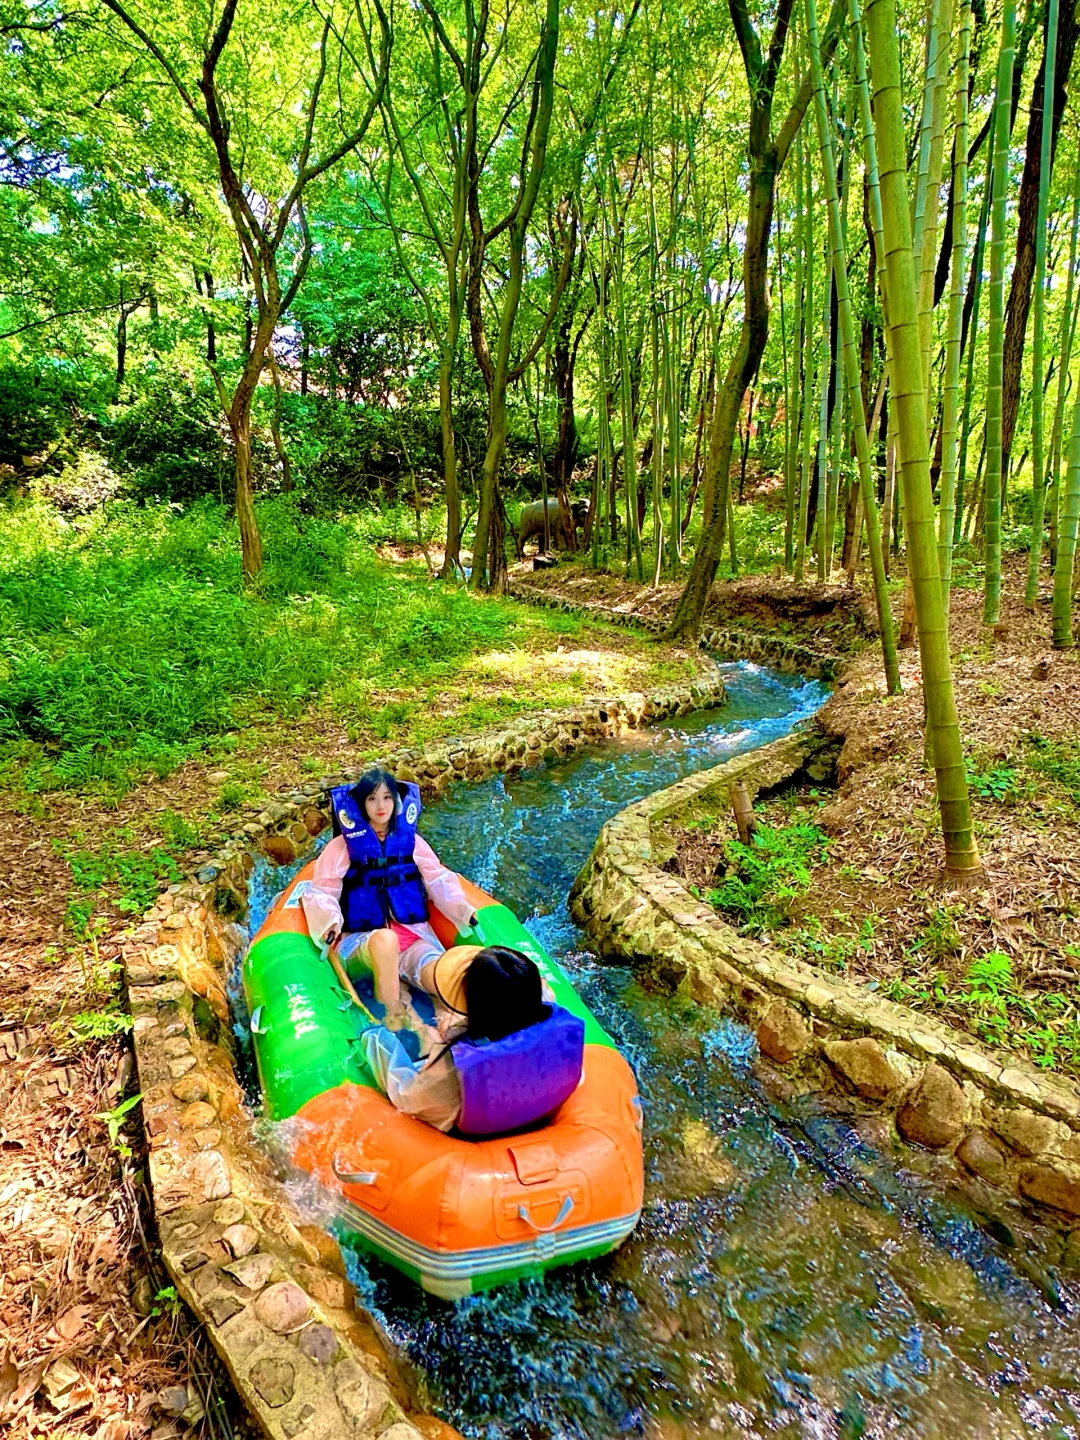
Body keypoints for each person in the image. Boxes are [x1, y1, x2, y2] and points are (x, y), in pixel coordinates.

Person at [301, 766, 476, 1034]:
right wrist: (329, 923)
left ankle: (447, 1014)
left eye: (387, 798)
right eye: (372, 799)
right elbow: (322, 891)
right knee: (386, 941)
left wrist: (462, 910)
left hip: (411, 935)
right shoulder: (341, 848)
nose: (380, 806)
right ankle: (402, 1018)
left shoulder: (411, 841)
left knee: (436, 970)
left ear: (396, 801)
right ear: (362, 804)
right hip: (363, 942)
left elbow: (437, 878)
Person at [361, 945, 586, 1135]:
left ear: (476, 1004)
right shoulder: (558, 1021)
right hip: (539, 1109)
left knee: (416, 1042)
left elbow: (406, 1098)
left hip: (476, 1135)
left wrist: (376, 1037)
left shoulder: (453, 1068)